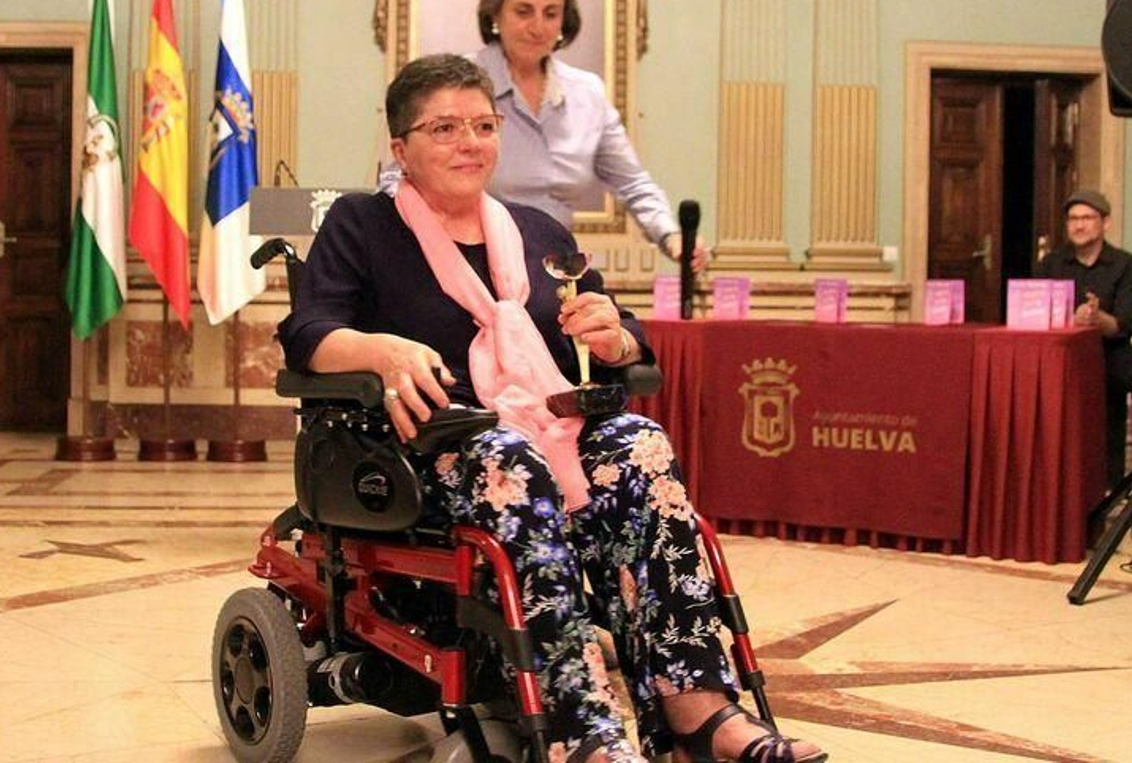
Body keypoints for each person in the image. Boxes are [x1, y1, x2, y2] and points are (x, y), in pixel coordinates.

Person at [281, 54, 823, 763]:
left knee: (640, 444)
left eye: (482, 124)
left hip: (552, 434)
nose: (468, 141)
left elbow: (620, 336)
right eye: (443, 127)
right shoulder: (363, 224)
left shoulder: (538, 234)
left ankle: (699, 712)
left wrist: (616, 331)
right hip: (427, 447)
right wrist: (381, 351)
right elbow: (308, 332)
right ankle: (584, 733)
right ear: (400, 149)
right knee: (511, 463)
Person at [383, 0, 708, 271]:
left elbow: (633, 183)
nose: (538, 27)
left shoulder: (588, 93)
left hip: (556, 269)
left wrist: (672, 236)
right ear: (495, 13)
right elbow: (399, 177)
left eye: (551, 13)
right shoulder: (454, 85)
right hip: (462, 266)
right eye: (524, 11)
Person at [1035, 188, 1132, 489]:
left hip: (1110, 351)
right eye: (1073, 219)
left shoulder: (1125, 264)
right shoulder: (1051, 264)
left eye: (1087, 218)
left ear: (1105, 223)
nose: (1079, 225)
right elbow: (1035, 310)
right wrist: (1072, 320)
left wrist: (1097, 318)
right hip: (1064, 353)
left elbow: (1123, 325)